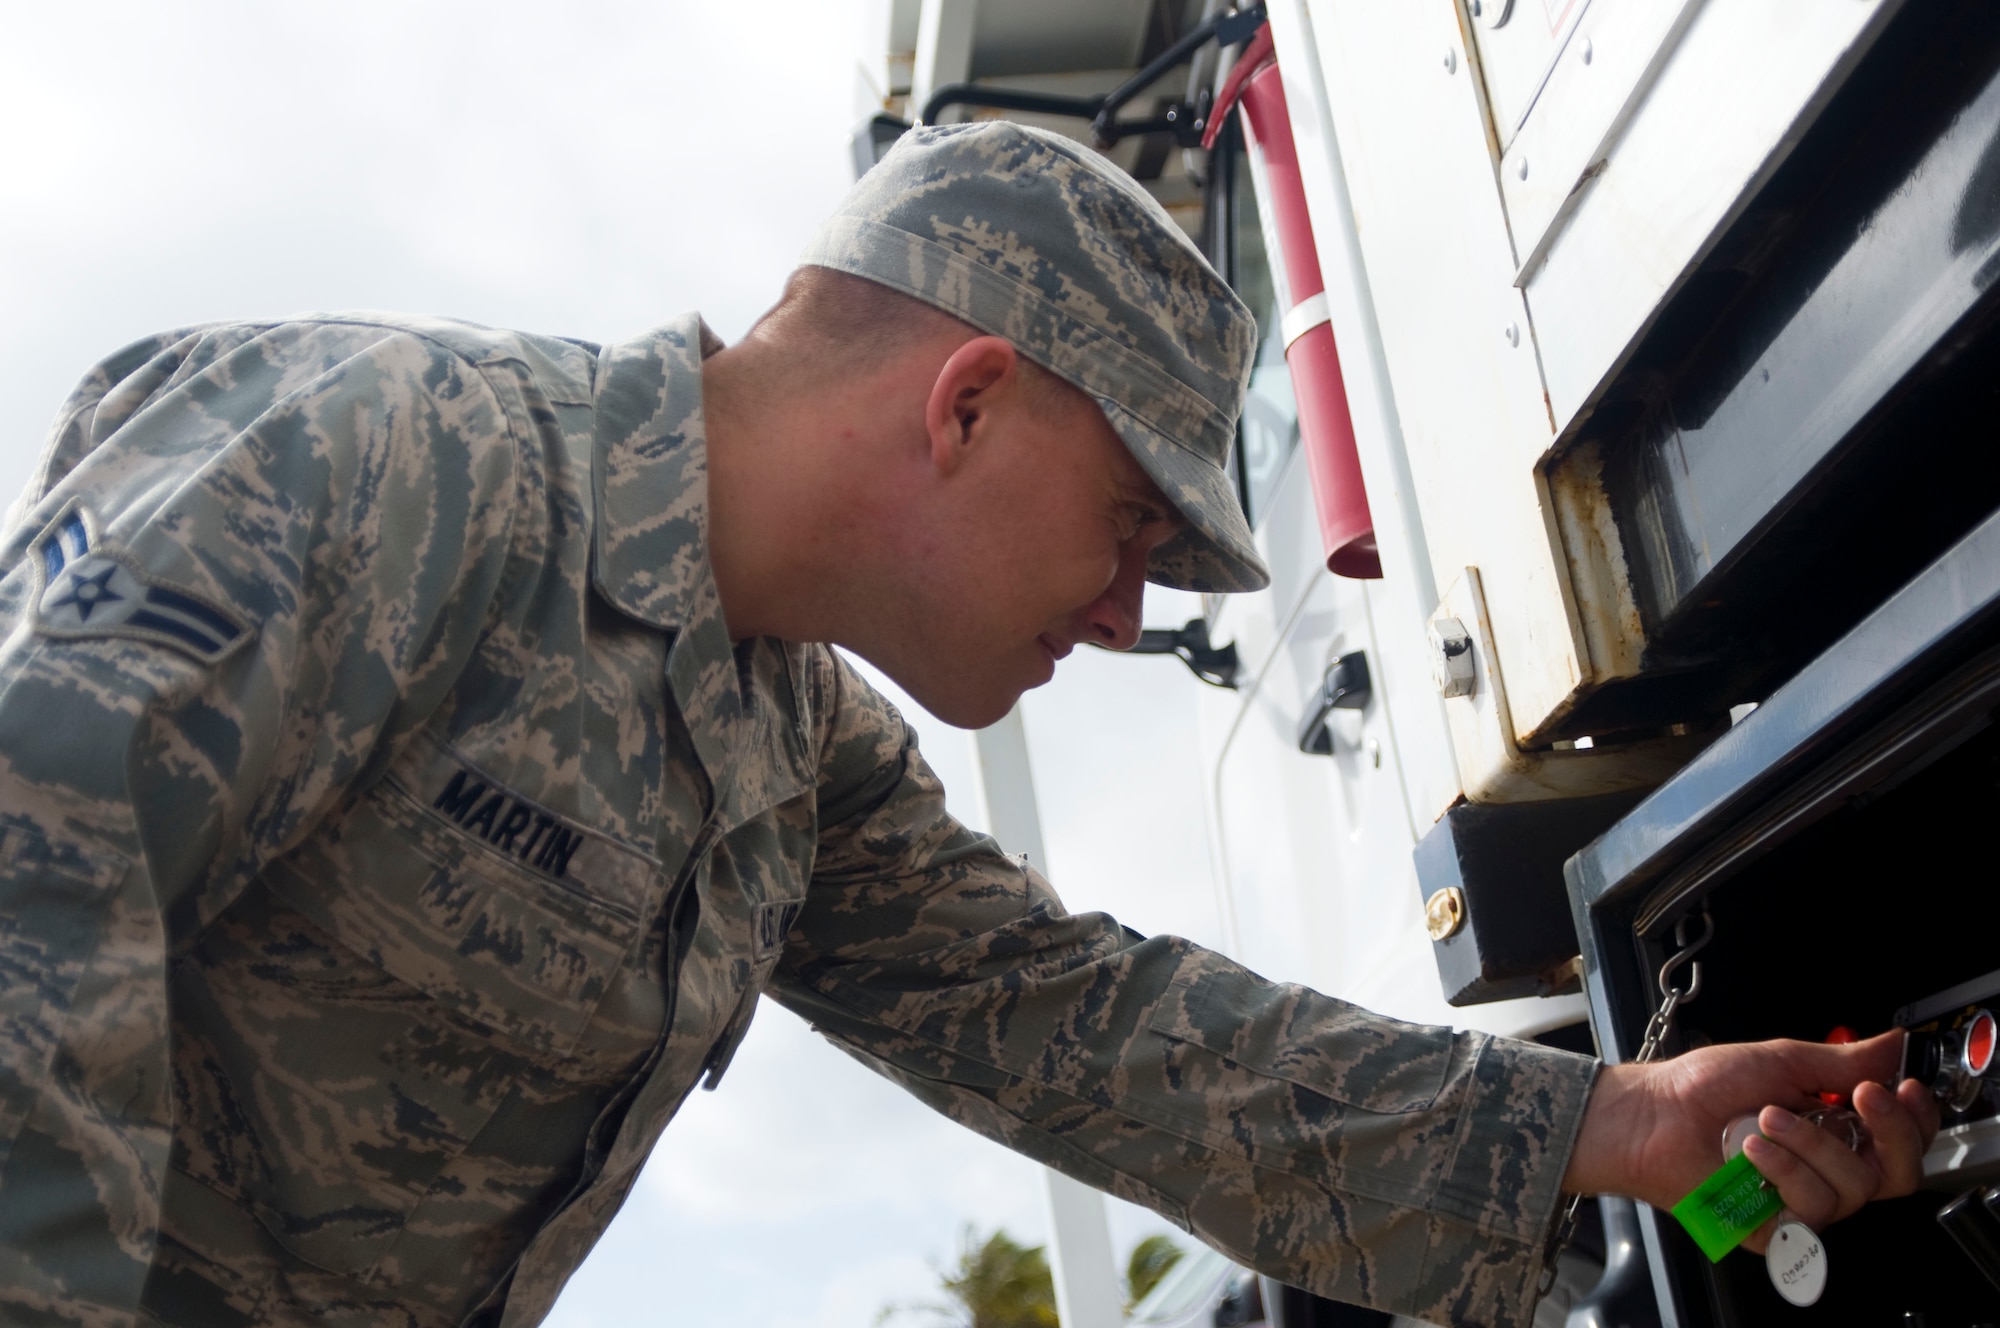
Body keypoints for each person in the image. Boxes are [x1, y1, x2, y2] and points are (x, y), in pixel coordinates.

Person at [0, 120, 1936, 1328]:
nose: (1116, 618)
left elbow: (1096, 1035)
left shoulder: (793, 761)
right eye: (1124, 533)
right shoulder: (382, 460)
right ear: (968, 401)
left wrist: (1613, 1120)